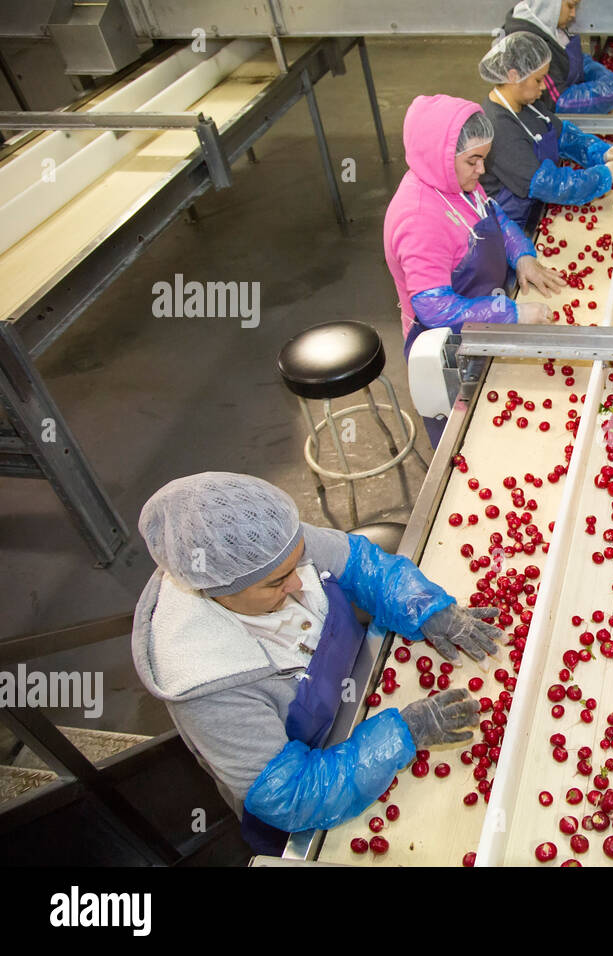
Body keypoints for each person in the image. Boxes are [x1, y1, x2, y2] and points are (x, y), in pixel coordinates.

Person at [131, 472, 504, 855]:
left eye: (296, 565)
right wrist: (402, 735)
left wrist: (423, 606)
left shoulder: (266, 544)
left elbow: (361, 565)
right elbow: (289, 795)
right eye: (277, 584)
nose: (298, 582)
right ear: (218, 592)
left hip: (362, 697)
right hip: (318, 800)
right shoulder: (206, 683)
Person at [383, 94, 566, 444]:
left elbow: (493, 214)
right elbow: (434, 307)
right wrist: (509, 312)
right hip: (449, 347)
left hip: (482, 318)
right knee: (470, 442)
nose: (482, 170)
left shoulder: (456, 181)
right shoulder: (419, 219)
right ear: (441, 157)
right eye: (474, 161)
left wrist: (523, 254)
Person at [477, 31, 613, 230]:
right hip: (515, 221)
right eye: (538, 80)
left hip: (537, 205)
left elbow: (563, 135)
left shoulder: (525, 102)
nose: (543, 87)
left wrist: (601, 152)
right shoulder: (499, 129)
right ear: (513, 76)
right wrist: (601, 177)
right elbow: (548, 184)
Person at [500, 0, 613, 114]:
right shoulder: (527, 45)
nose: (573, 14)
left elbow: (574, 61)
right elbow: (561, 102)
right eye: (570, 5)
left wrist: (607, 78)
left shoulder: (547, 22)